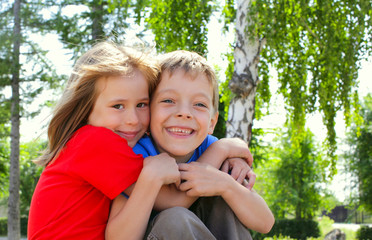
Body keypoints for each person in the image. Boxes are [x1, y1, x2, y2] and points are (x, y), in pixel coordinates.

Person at [109, 50, 275, 240]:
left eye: (199, 104)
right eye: (168, 101)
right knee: (175, 219)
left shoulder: (213, 150)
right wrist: (223, 149)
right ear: (148, 113)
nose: (184, 113)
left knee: (224, 194)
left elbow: (265, 222)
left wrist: (226, 185)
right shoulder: (135, 155)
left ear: (212, 122)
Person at [27, 41, 181, 240]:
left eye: (142, 104)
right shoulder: (94, 141)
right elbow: (174, 200)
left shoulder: (80, 144)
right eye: (118, 106)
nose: (133, 119)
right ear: (85, 107)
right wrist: (221, 149)